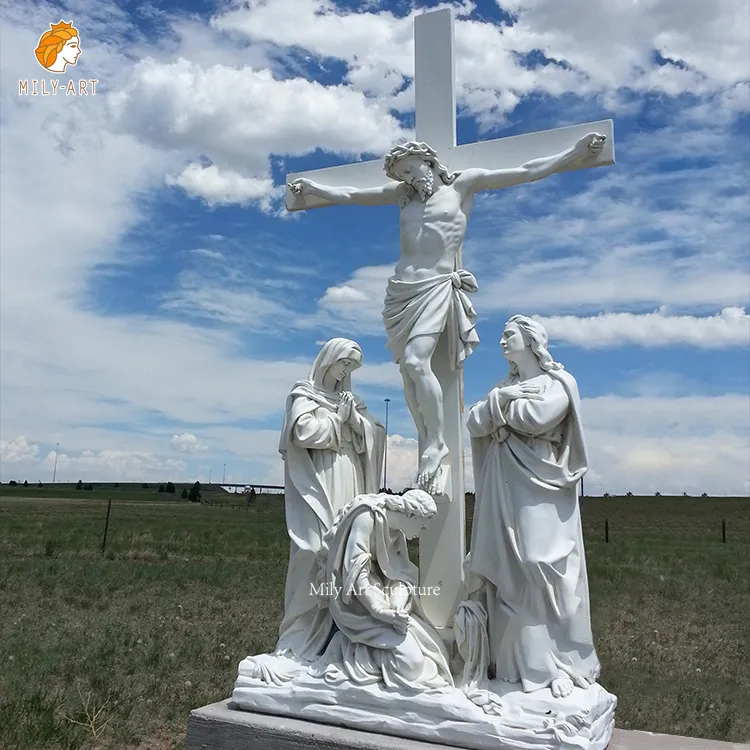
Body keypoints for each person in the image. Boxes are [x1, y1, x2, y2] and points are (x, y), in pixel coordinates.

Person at [289, 135, 606, 492]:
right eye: (401, 175)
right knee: (408, 375)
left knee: (414, 362)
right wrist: (315, 188)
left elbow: (527, 170)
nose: (408, 178)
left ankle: (437, 443)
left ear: (427, 160)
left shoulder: (463, 186)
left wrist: (573, 153)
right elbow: (352, 196)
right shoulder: (401, 197)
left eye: (410, 169)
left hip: (437, 286)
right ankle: (427, 438)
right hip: (401, 292)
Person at [465, 315, 600, 699]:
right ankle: (519, 665)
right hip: (504, 485)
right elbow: (474, 423)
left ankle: (558, 658)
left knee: (540, 565)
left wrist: (500, 408)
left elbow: (538, 418)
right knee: (510, 572)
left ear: (531, 340)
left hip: (541, 484)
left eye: (509, 336)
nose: (503, 342)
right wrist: (504, 399)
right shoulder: (504, 387)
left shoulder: (558, 383)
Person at [276, 338, 385, 662]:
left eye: (351, 367)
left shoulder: (350, 400)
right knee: (313, 548)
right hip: (321, 477)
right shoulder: (304, 394)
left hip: (349, 473)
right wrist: (338, 420)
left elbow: (376, 434)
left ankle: (342, 633)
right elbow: (302, 432)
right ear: (328, 360)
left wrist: (354, 422)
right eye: (344, 363)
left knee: (348, 550)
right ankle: (301, 631)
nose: (345, 371)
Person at [314, 490, 453, 691]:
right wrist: (379, 611)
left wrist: (396, 606)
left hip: (381, 596)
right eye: (423, 526)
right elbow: (354, 572)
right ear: (412, 515)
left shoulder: (397, 533)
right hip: (355, 601)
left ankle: (368, 648)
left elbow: (402, 577)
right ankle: (348, 650)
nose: (422, 532)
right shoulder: (367, 518)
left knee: (436, 649)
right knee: (411, 666)